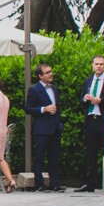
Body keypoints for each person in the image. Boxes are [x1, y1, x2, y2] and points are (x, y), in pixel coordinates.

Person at [78, 55, 104, 192]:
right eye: (96, 64)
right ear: (92, 65)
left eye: (101, 64)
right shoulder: (88, 81)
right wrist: (85, 99)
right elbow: (81, 98)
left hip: (103, 120)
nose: (98, 66)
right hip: (90, 118)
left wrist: (100, 100)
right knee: (90, 153)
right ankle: (89, 183)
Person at [24, 64, 63, 192]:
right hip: (41, 128)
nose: (50, 74)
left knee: (54, 157)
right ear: (40, 76)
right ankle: (39, 184)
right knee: (39, 157)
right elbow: (28, 108)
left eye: (51, 71)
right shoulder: (34, 89)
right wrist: (43, 109)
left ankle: (55, 183)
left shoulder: (54, 89)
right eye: (47, 72)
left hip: (54, 128)